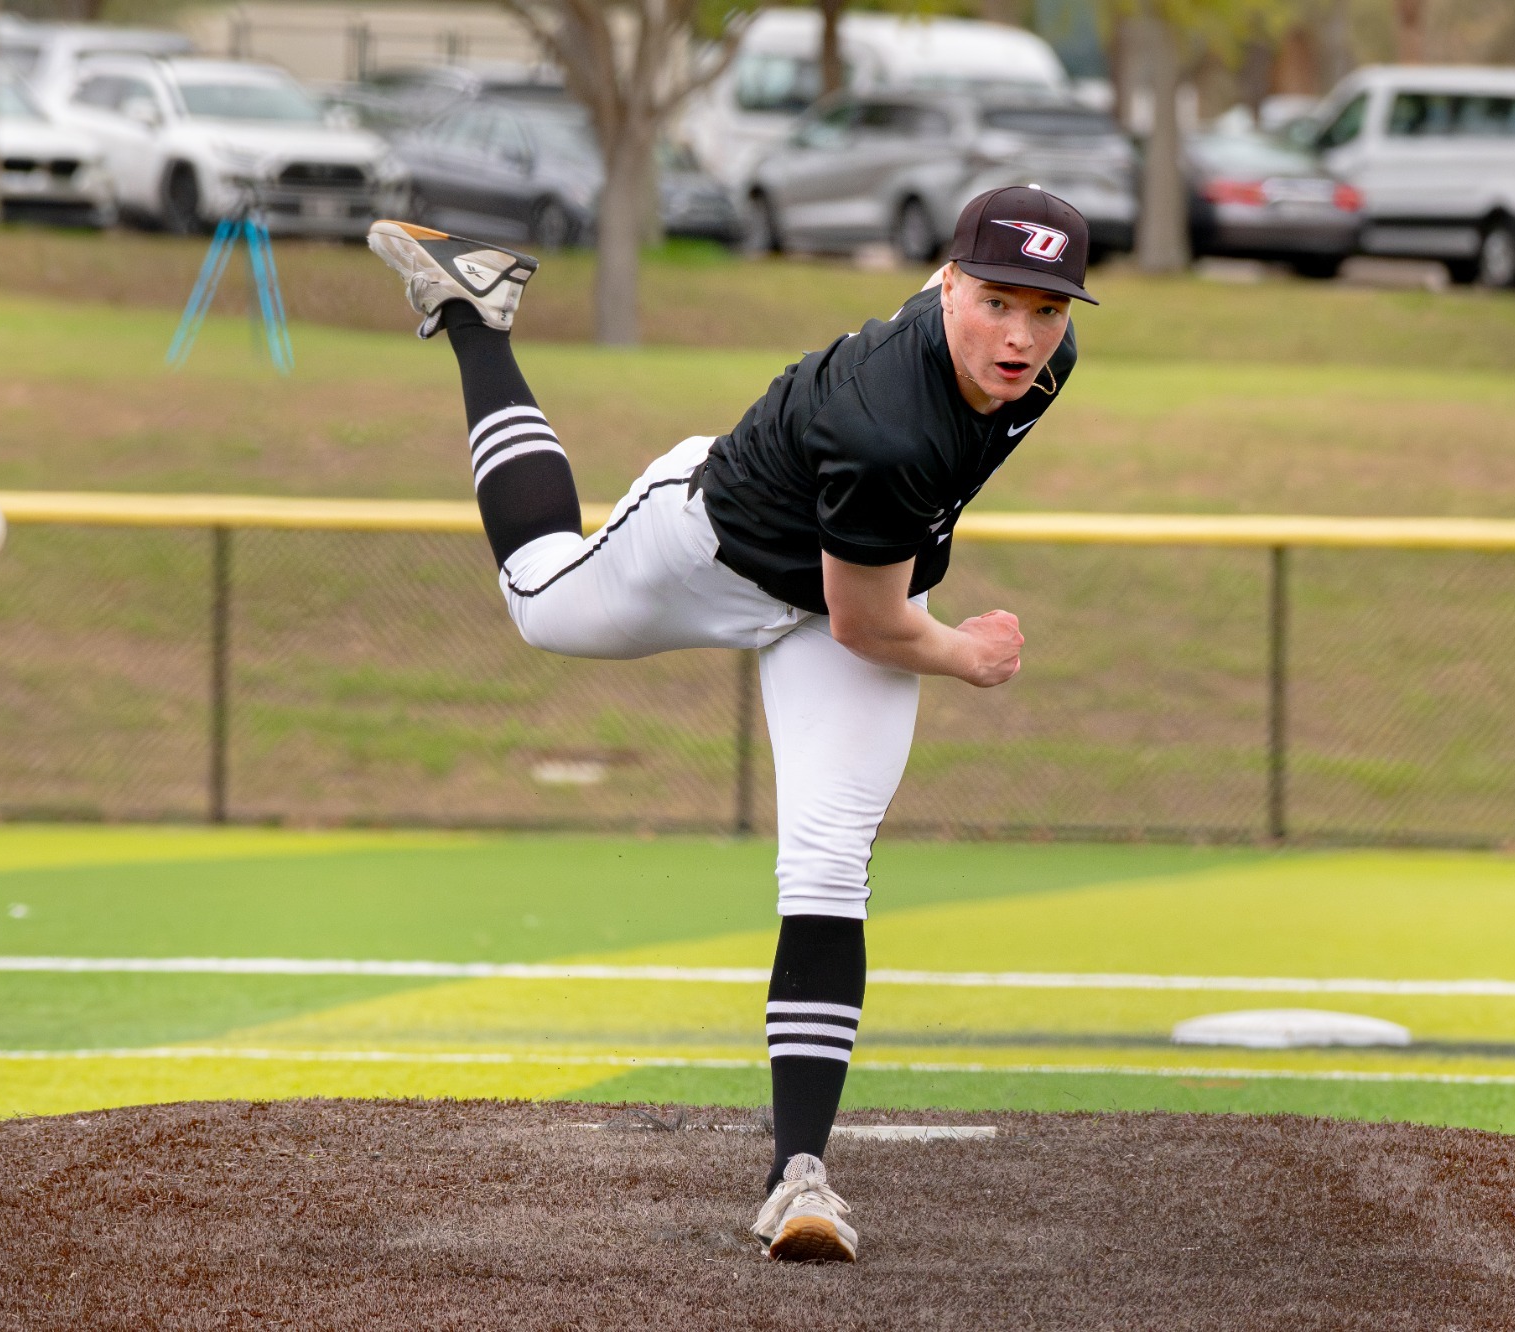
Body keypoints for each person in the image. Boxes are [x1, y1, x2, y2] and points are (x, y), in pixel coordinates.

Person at [365, 185, 1090, 1262]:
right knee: (537, 599)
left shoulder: (1041, 363)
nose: (1021, 337)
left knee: (828, 862)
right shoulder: (885, 429)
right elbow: (870, 624)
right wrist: (965, 655)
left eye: (1046, 308)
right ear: (945, 286)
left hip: (850, 592)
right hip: (710, 553)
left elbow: (859, 604)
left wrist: (918, 617)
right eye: (995, 302)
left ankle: (798, 1181)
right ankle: (475, 314)